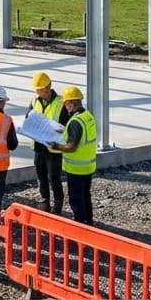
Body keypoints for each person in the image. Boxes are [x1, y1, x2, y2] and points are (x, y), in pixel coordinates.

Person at [49, 86, 98, 225]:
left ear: (72, 103)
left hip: (76, 168)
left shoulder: (75, 122)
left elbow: (71, 146)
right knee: (85, 196)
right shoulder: (87, 116)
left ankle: (80, 225)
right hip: (88, 166)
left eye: (66, 103)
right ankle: (89, 223)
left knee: (76, 199)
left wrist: (56, 146)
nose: (65, 106)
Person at [26, 72, 65, 213]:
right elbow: (28, 116)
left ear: (50, 86)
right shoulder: (34, 100)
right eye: (39, 90)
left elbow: (65, 124)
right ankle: (45, 201)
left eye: (45, 90)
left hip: (53, 147)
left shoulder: (61, 102)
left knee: (54, 177)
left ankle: (58, 204)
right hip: (39, 145)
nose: (43, 93)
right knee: (41, 176)